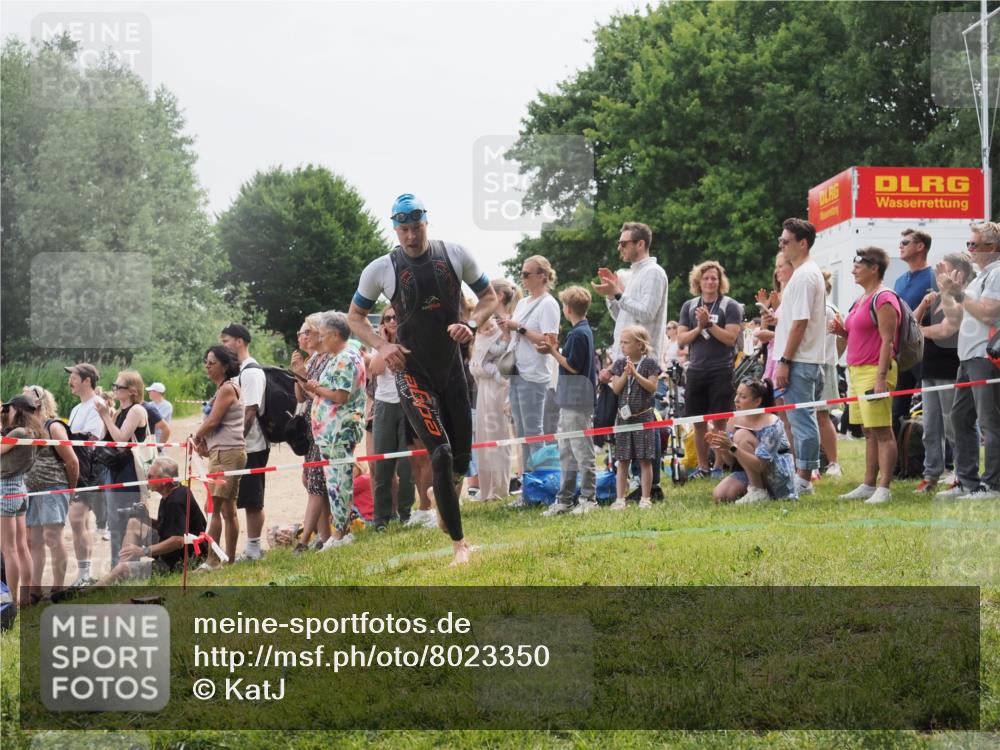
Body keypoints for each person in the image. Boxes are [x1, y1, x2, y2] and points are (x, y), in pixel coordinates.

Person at [347, 194, 498, 565]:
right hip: (412, 375)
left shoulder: (456, 255)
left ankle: (450, 502)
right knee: (441, 453)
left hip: (453, 373)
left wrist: (471, 325)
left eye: (417, 228)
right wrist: (382, 346)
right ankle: (460, 546)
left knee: (460, 460)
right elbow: (354, 317)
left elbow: (490, 297)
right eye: (404, 230)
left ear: (426, 223)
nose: (411, 237)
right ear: (396, 229)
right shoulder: (381, 269)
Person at [593, 222, 669, 494]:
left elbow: (647, 313)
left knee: (644, 421)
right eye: (619, 243)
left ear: (640, 244)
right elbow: (624, 317)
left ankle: (653, 485)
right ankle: (637, 481)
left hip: (644, 359)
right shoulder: (634, 274)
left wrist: (617, 292)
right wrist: (611, 297)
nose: (620, 247)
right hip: (625, 357)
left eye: (624, 243)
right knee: (626, 421)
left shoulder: (653, 273)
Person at [829, 247, 900, 504]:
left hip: (874, 371)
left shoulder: (883, 298)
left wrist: (880, 378)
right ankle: (869, 484)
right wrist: (841, 329)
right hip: (856, 371)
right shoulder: (861, 300)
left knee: (882, 431)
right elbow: (858, 334)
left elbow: (887, 341)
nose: (853, 270)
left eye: (858, 265)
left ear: (874, 268)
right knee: (869, 432)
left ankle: (884, 488)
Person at [935, 221, 1000, 500]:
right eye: (969, 244)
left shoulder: (996, 273)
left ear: (992, 247)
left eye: (974, 245)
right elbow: (957, 319)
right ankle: (968, 480)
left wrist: (957, 292)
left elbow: (987, 314)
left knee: (989, 422)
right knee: (961, 418)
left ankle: (993, 485)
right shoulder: (979, 276)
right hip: (968, 356)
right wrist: (947, 292)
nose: (970, 250)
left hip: (985, 357)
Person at [772, 218, 827, 496]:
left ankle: (804, 478)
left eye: (785, 241)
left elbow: (800, 322)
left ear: (802, 243)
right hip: (800, 358)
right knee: (798, 418)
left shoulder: (805, 275)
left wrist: (785, 360)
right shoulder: (802, 273)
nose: (781, 245)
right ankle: (802, 473)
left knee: (802, 419)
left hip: (800, 360)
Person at [303, 311, 366, 549]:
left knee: (339, 483)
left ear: (336, 335)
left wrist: (316, 389)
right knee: (335, 482)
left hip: (339, 431)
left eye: (324, 335)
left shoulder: (345, 358)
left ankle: (340, 534)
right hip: (331, 433)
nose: (321, 339)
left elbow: (340, 395)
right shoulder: (341, 355)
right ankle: (341, 531)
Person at [676, 260, 743, 480]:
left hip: (721, 369)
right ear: (698, 281)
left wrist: (710, 325)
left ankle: (719, 465)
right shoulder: (689, 306)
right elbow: (681, 340)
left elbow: (731, 338)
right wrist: (699, 326)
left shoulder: (730, 306)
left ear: (720, 281)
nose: (710, 281)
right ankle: (703, 467)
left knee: (719, 420)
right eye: (706, 278)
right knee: (699, 421)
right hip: (696, 369)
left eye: (714, 278)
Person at [498, 255, 560, 489]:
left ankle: (545, 485)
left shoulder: (548, 304)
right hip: (517, 372)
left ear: (542, 276)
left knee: (534, 433)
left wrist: (519, 328)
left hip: (534, 374)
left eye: (527, 274)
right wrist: (507, 328)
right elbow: (515, 336)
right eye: (521, 274)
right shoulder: (523, 304)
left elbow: (549, 341)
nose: (522, 278)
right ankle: (530, 487)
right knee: (522, 434)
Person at [912, 252, 971, 493]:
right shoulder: (935, 298)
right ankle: (931, 474)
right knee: (930, 426)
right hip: (930, 369)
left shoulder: (962, 298)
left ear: (959, 273)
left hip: (950, 370)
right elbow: (911, 323)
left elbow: (947, 330)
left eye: (943, 270)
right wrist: (924, 305)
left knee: (953, 426)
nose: (938, 275)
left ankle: (961, 473)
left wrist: (921, 330)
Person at [536, 285, 598, 516]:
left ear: (567, 309)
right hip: (571, 400)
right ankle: (565, 499)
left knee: (581, 452)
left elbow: (572, 366)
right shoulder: (582, 331)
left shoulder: (578, 334)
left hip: (576, 401)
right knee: (567, 452)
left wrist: (553, 351)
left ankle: (588, 499)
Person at [97, 458, 208, 584]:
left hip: (183, 560)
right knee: (134, 522)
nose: (147, 479)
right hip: (178, 551)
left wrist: (143, 551)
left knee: (123, 568)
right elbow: (167, 527)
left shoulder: (175, 501)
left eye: (150, 476)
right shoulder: (172, 494)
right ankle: (122, 571)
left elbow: (178, 540)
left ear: (164, 481)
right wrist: (145, 517)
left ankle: (87, 591)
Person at [192, 345, 247, 567]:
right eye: (206, 361)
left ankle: (212, 561)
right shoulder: (224, 388)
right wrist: (206, 443)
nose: (207, 365)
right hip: (226, 451)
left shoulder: (226, 389)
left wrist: (195, 436)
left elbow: (213, 422)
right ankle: (229, 559)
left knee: (213, 507)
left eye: (212, 362)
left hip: (227, 453)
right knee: (227, 509)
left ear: (225, 366)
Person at [219, 323, 269, 561]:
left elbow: (250, 411)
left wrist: (236, 440)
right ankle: (249, 547)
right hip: (241, 445)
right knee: (242, 497)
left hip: (253, 445)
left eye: (226, 340)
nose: (223, 345)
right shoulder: (238, 372)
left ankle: (253, 547)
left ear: (240, 341)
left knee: (253, 499)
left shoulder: (251, 372)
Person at [24, 387, 78, 600]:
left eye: (28, 394)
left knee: (52, 537)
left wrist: (70, 490)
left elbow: (72, 461)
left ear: (39, 401)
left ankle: (58, 588)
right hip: (32, 490)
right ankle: (35, 589)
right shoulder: (26, 427)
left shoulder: (53, 426)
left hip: (54, 487)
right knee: (32, 540)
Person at [707, 378, 797, 504]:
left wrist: (732, 446)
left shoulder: (772, 423)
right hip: (747, 469)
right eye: (736, 394)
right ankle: (755, 491)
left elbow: (760, 466)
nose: (736, 400)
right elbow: (731, 462)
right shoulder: (734, 420)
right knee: (721, 496)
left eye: (742, 396)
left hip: (775, 475)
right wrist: (721, 446)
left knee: (741, 435)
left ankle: (758, 491)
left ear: (757, 401)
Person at [469, 280, 519, 502]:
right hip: (484, 387)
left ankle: (499, 488)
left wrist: (487, 367)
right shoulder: (485, 324)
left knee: (497, 435)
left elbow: (507, 360)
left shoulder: (506, 325)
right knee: (484, 435)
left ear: (498, 296)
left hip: (499, 386)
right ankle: (486, 487)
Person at [94, 370, 150, 566]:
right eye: (114, 385)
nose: (114, 389)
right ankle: (116, 565)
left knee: (127, 518)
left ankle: (127, 565)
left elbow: (120, 441)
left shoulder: (137, 410)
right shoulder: (119, 411)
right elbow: (104, 440)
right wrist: (106, 417)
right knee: (114, 520)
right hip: (114, 470)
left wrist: (106, 417)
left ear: (132, 390)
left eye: (119, 386)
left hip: (129, 470)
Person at [369, 306, 416, 529]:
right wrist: (382, 343)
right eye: (387, 318)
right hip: (384, 405)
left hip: (408, 404)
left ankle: (406, 513)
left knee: (407, 466)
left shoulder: (411, 340)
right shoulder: (379, 345)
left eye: (395, 317)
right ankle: (381, 519)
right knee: (382, 466)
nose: (392, 321)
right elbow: (376, 369)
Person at [290, 314, 333, 550]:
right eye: (299, 333)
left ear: (319, 333)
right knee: (312, 481)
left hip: (323, 426)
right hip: (310, 425)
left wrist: (301, 373)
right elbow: (300, 396)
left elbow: (318, 391)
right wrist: (298, 372)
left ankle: (305, 539)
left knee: (316, 482)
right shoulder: (312, 360)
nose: (301, 337)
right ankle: (324, 537)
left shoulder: (327, 358)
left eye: (306, 332)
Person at [609, 326, 661, 509]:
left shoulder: (651, 364)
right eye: (621, 342)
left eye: (626, 342)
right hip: (624, 419)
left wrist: (636, 374)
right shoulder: (619, 364)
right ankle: (620, 499)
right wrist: (625, 373)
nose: (622, 346)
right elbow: (616, 389)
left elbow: (652, 387)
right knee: (622, 460)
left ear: (639, 345)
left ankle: (645, 498)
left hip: (643, 418)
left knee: (645, 459)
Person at [891, 229, 935, 433]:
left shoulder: (934, 277)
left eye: (905, 242)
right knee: (897, 408)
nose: (900, 245)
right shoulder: (900, 280)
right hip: (902, 352)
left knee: (933, 406)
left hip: (928, 351)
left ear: (920, 247)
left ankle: (945, 460)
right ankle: (901, 461)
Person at [64, 363, 103, 585]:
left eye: (74, 377)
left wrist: (65, 438)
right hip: (78, 467)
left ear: (87, 380)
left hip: (90, 467)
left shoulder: (96, 405)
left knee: (77, 518)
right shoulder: (76, 408)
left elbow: (91, 441)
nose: (70, 381)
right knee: (81, 522)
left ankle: (84, 574)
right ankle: (84, 573)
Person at [1, 396, 42, 605]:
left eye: (9, 409)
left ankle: (12, 599)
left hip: (6, 486)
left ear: (16, 410)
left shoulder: (18, 433)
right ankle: (24, 597)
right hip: (19, 486)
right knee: (21, 546)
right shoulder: (31, 431)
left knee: (8, 549)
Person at [817, 271, 842, 477]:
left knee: (821, 416)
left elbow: (840, 339)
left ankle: (833, 462)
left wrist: (833, 359)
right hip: (817, 365)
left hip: (822, 366)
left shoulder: (827, 309)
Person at [145, 382, 173, 451]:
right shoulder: (150, 404)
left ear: (156, 392)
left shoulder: (167, 405)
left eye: (151, 391)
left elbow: (157, 422)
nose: (149, 393)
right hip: (149, 437)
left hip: (160, 438)